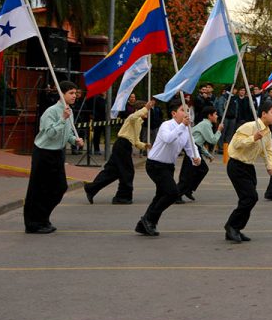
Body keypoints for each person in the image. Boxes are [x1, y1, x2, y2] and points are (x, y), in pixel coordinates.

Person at [24, 81, 84, 233]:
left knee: (59, 187)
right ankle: (34, 223)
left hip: (58, 153)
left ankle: (43, 217)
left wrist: (74, 140)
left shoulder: (68, 110)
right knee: (40, 189)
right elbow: (50, 134)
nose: (74, 96)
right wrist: (63, 119)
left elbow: (67, 132)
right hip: (44, 153)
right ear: (61, 94)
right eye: (71, 93)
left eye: (75, 93)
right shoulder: (51, 112)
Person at [135, 97, 200, 237]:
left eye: (187, 110)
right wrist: (182, 125)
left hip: (168, 166)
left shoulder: (187, 129)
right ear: (174, 113)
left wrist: (196, 157)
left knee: (161, 194)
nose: (186, 113)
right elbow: (169, 139)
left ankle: (145, 224)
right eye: (183, 110)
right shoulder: (166, 125)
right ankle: (148, 219)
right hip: (155, 165)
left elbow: (191, 146)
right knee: (172, 193)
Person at [224, 100, 272, 243]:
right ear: (264, 114)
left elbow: (268, 151)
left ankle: (235, 228)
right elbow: (236, 143)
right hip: (236, 165)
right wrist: (253, 138)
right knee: (250, 197)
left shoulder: (267, 132)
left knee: (248, 199)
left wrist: (270, 165)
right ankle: (231, 226)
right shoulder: (250, 126)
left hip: (249, 167)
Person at [84, 99, 153, 205]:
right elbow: (134, 116)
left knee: (112, 171)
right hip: (122, 145)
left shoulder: (139, 122)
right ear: (139, 110)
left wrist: (145, 146)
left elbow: (135, 141)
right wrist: (146, 108)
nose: (147, 112)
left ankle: (91, 188)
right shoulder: (133, 118)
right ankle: (122, 196)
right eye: (146, 111)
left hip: (125, 146)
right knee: (127, 172)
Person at [177, 105, 223, 202]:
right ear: (209, 116)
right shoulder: (205, 125)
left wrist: (208, 155)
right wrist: (219, 130)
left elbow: (199, 143)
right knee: (187, 173)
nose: (217, 116)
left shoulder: (205, 124)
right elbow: (212, 140)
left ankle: (188, 190)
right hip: (191, 148)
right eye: (215, 114)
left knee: (201, 169)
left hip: (194, 147)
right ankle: (178, 194)